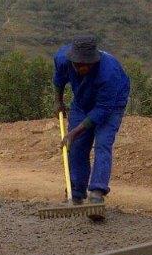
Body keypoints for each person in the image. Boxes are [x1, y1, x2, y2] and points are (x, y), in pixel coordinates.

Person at [52, 34, 130, 216]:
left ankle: (96, 193)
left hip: (111, 105)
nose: (82, 68)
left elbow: (102, 110)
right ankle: (76, 194)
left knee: (102, 143)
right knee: (77, 146)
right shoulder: (62, 59)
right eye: (78, 65)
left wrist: (73, 132)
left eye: (86, 64)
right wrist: (58, 101)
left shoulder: (109, 72)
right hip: (82, 102)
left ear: (94, 60)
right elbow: (59, 79)